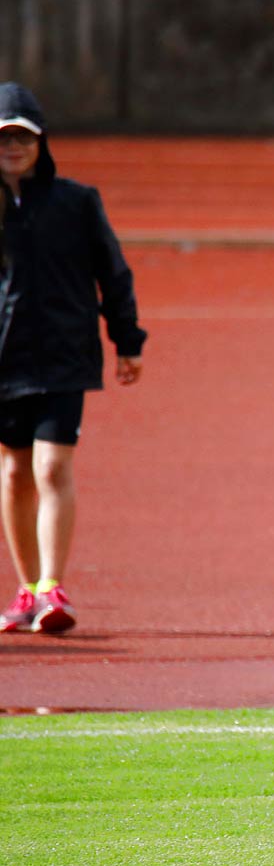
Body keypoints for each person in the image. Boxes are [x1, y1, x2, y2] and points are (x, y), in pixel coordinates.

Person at [0, 83, 145, 635]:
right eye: (4, 137)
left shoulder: (76, 202)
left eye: (22, 136)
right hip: (4, 359)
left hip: (62, 355)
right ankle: (25, 586)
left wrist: (127, 339)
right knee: (14, 472)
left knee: (51, 466)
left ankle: (51, 586)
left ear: (41, 142)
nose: (13, 147)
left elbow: (113, 272)